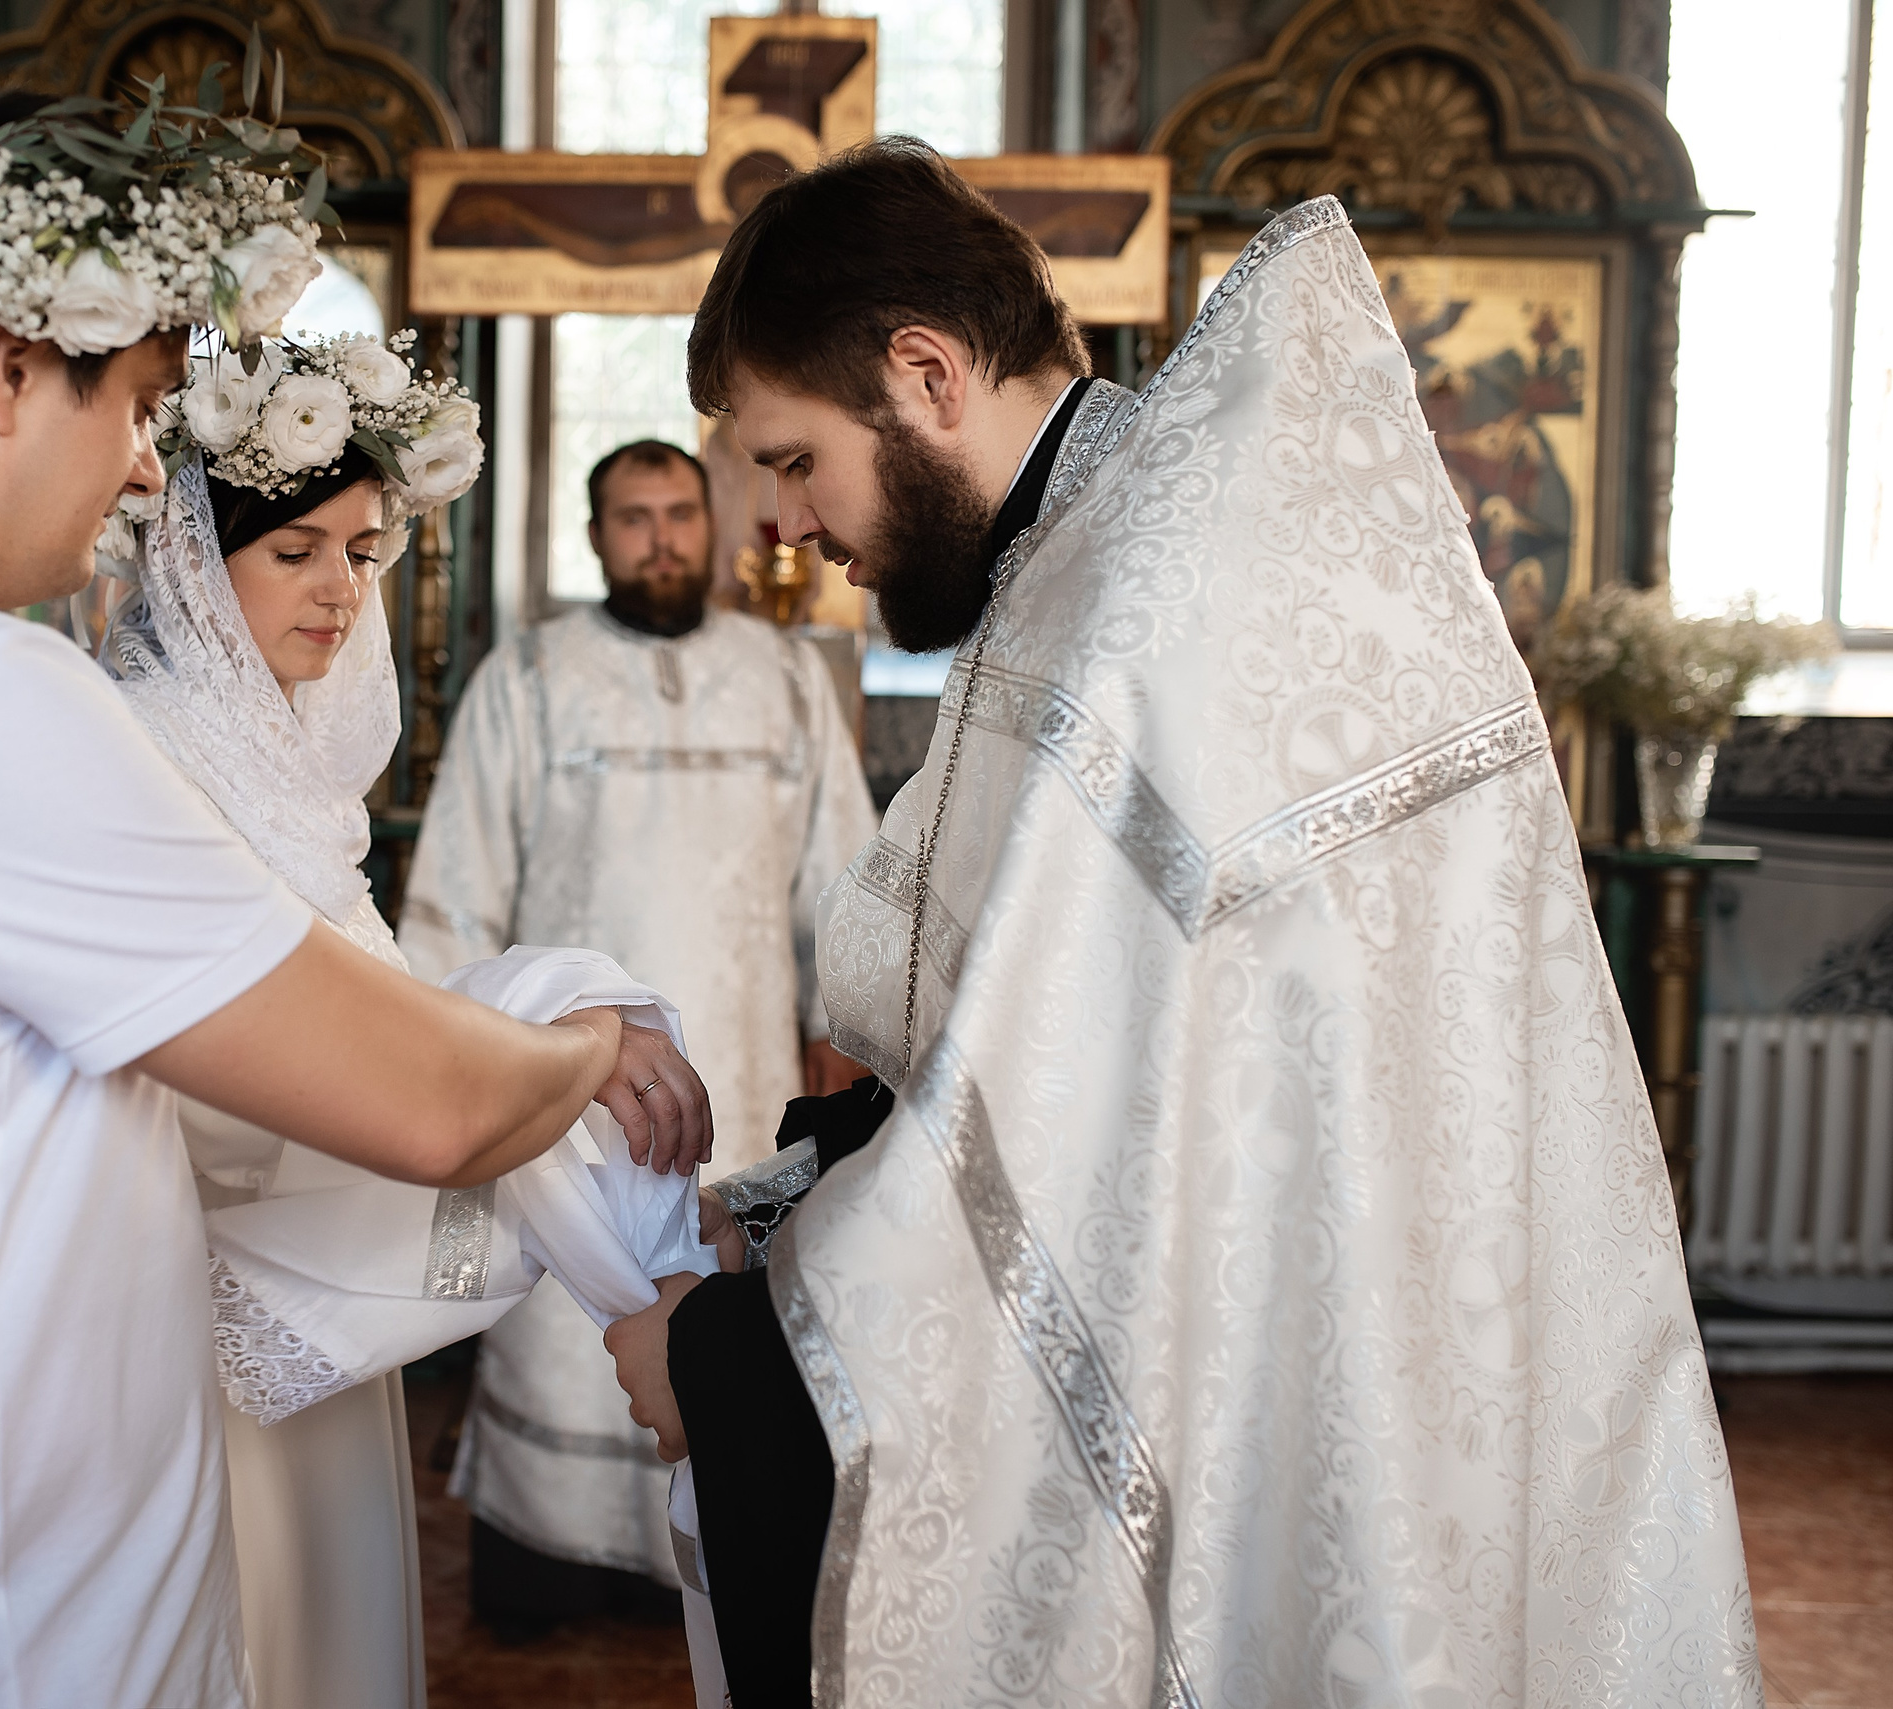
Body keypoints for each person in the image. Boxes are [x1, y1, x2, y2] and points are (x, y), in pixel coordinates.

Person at [0, 93, 709, 1709]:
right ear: (11, 365)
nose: (136, 471)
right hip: (17, 1618)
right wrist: (588, 1031)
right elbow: (432, 1102)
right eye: (135, 405)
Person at [609, 140, 1761, 1707]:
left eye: (796, 458)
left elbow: (1089, 1157)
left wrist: (722, 1360)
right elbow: (1075, 1074)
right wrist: (808, 1186)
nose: (784, 524)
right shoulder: (1098, 553)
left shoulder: (1146, 605)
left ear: (927, 372)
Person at [96, 333, 717, 1709]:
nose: (337, 589)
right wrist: (557, 1011)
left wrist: (563, 1003)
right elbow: (257, 1047)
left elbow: (367, 1014)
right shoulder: (140, 752)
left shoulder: (299, 764)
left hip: (314, 1273)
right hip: (198, 1295)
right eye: (295, 551)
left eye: (364, 552)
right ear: (200, 560)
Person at [398, 438, 879, 1632]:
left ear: (712, 523)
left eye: (678, 512)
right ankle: (563, 1562)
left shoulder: (782, 679)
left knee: (722, 1315)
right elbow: (455, 897)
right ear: (593, 531)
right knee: (575, 1332)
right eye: (631, 516)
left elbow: (844, 882)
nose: (659, 536)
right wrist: (466, 1067)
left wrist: (845, 1028)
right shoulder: (530, 678)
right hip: (571, 1105)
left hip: (746, 1078)